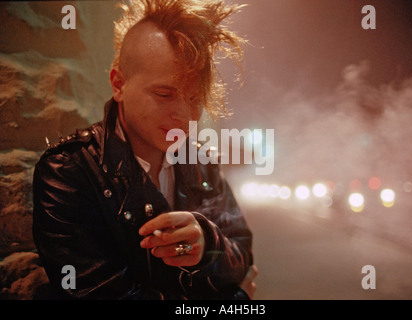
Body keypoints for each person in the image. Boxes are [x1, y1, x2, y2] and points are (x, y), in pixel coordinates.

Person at [32, 0, 257, 300]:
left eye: (195, 98)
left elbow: (242, 251)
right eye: (164, 94)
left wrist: (207, 244)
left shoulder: (201, 161)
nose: (183, 114)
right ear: (118, 84)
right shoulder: (69, 172)